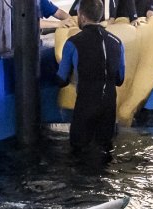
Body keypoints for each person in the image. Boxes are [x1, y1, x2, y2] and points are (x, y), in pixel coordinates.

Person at [56, 0, 126, 161]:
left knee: (79, 153)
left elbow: (61, 79)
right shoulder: (117, 42)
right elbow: (119, 79)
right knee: (104, 152)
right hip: (109, 106)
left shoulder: (73, 43)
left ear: (81, 16)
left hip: (86, 105)